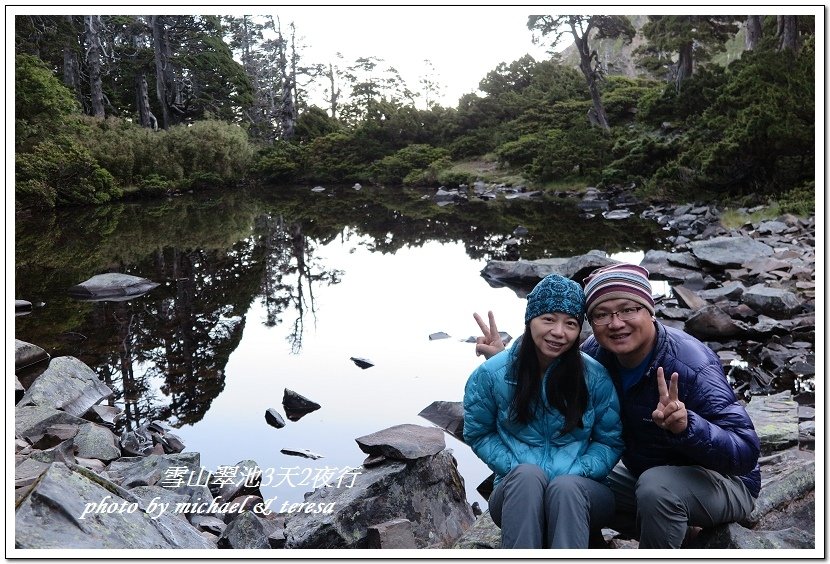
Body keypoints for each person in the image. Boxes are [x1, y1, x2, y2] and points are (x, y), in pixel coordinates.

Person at [474, 263, 761, 549]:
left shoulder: (691, 364)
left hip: (724, 481)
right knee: (563, 479)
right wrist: (507, 365)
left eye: (628, 310)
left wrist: (689, 427)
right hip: (646, 474)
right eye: (601, 314)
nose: (616, 323)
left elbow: (745, 452)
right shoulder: (596, 357)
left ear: (649, 310)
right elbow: (549, 396)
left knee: (657, 488)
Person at [463, 273, 624, 549]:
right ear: (530, 319)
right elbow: (478, 433)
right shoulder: (492, 374)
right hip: (517, 493)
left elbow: (609, 440)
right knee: (527, 477)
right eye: (548, 319)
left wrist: (577, 470)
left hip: (582, 491)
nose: (559, 332)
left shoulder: (594, 376)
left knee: (565, 488)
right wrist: (514, 467)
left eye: (570, 324)